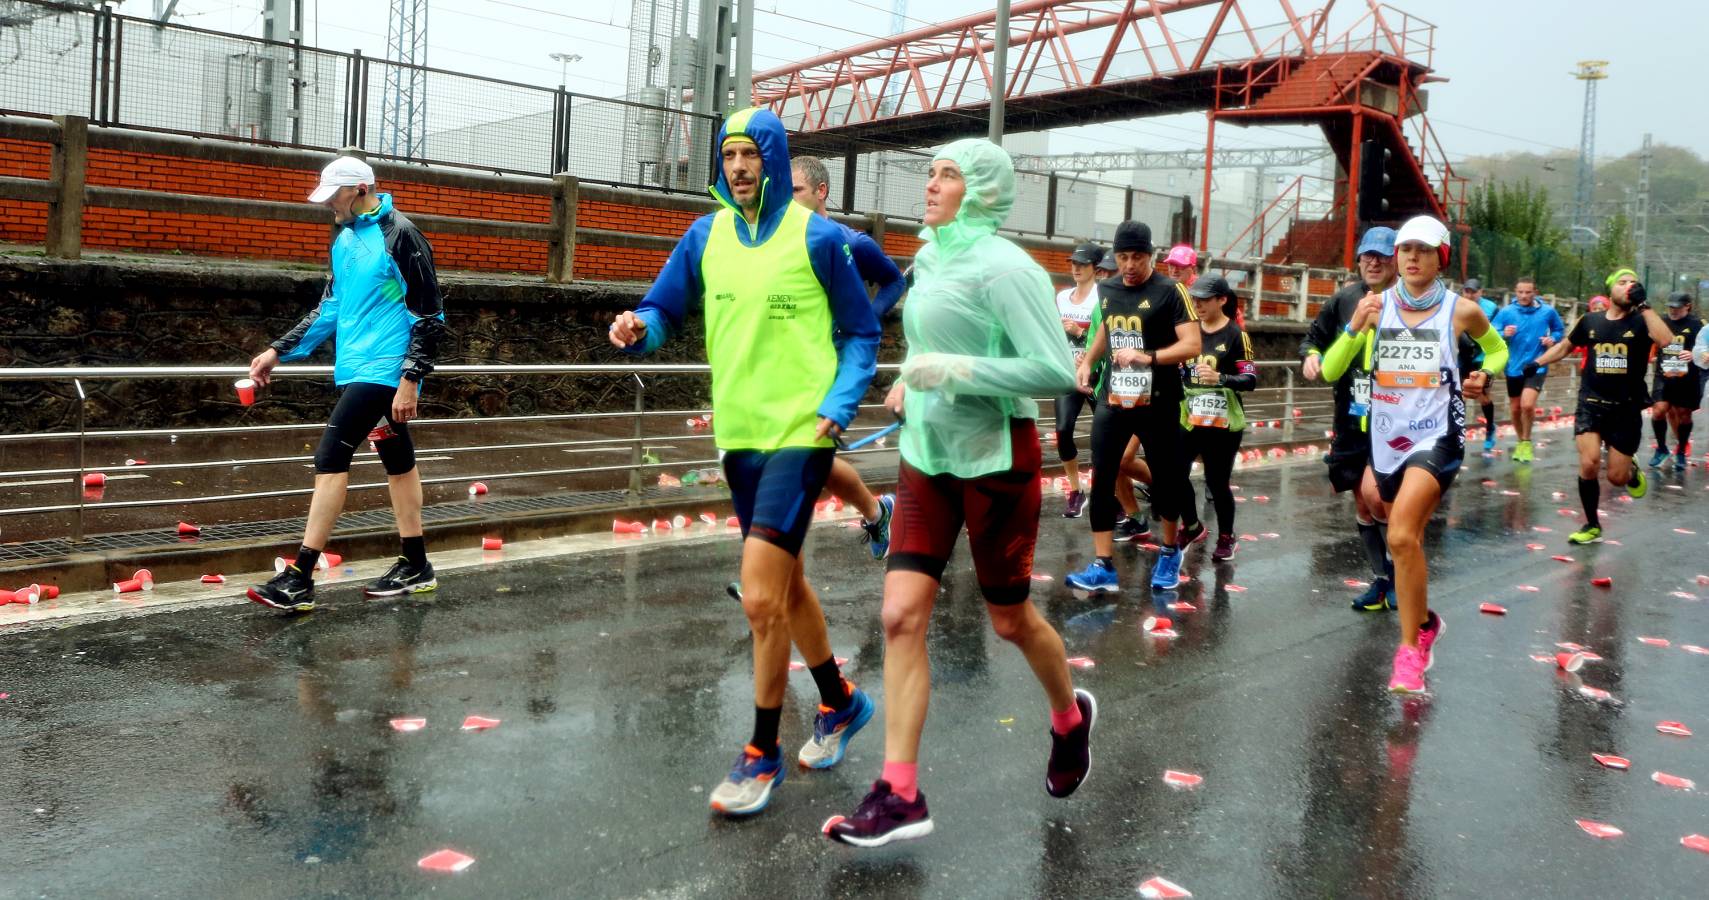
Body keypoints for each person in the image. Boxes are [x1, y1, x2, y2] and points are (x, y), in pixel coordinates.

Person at [609, 108, 881, 816]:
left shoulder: (819, 238)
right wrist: (640, 326)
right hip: (737, 436)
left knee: (759, 596)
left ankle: (761, 754)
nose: (737, 168)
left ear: (773, 159)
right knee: (785, 587)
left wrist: (842, 401)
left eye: (749, 155)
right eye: (727, 155)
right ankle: (840, 703)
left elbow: (860, 331)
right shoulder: (704, 236)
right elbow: (664, 307)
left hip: (801, 433)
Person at [824, 138, 1091, 848]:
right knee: (899, 617)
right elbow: (929, 345)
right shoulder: (932, 256)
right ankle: (900, 792)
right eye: (931, 173)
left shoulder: (1009, 269)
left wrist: (951, 371)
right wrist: (911, 375)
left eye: (947, 175)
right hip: (925, 458)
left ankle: (1068, 717)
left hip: (995, 458)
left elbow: (1053, 373)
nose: (931, 185)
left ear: (981, 191)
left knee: (1008, 622)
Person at [246, 156, 445, 612]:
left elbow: (430, 314)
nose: (328, 205)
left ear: (358, 188)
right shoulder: (346, 239)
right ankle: (416, 563)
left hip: (386, 368)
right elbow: (330, 308)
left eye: (333, 195)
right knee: (397, 457)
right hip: (358, 365)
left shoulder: (402, 236)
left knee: (331, 454)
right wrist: (279, 349)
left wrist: (410, 378)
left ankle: (299, 576)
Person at [1321, 215, 1506, 694]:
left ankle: (1409, 652)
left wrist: (1484, 375)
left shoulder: (1460, 310)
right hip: (1386, 433)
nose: (1412, 257)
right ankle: (1423, 621)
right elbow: (1329, 370)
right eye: (1406, 249)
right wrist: (1355, 327)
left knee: (1401, 536)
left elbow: (1497, 349)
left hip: (1438, 432)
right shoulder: (1374, 306)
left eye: (1423, 250)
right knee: (1389, 517)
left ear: (1440, 256)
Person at [1065, 220, 1203, 594]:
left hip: (1158, 402)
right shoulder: (1107, 289)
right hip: (1114, 398)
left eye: (1137, 257)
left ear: (1151, 256)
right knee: (1103, 473)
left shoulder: (1172, 291)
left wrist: (1148, 357)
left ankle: (1170, 549)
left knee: (1167, 478)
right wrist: (1088, 362)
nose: (1129, 265)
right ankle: (1102, 564)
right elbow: (1106, 330)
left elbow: (1191, 345)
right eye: (1123, 257)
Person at [790, 155, 906, 555]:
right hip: (798, 364)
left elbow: (893, 280)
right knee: (812, 462)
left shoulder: (853, 242)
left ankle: (772, 575)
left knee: (801, 461)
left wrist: (866, 319)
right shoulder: (782, 241)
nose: (787, 201)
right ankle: (878, 512)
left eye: (796, 191)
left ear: (821, 191)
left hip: (838, 367)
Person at [1524, 268, 1675, 545]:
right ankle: (1592, 524)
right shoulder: (1590, 320)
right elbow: (1566, 347)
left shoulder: (1643, 320)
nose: (1629, 286)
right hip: (1590, 403)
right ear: (1610, 290)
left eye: (1634, 282)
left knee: (1617, 478)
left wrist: (1644, 305)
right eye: (1622, 282)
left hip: (1625, 408)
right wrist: (1537, 363)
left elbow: (1666, 340)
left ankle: (1630, 470)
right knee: (1590, 462)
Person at [1300, 226, 1400, 611]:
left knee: (1378, 497)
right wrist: (1310, 354)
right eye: (1366, 256)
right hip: (1351, 417)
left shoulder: (1410, 302)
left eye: (1382, 256)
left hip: (1394, 420)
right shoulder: (1345, 299)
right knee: (1363, 502)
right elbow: (1313, 337)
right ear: (1358, 259)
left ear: (1396, 260)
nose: (1373, 262)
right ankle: (1382, 580)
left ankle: (1397, 574)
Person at [1178, 275, 1256, 561]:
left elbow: (1250, 379)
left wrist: (1220, 377)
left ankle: (1226, 536)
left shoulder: (1236, 335)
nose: (1197, 304)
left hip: (1223, 421)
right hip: (1190, 415)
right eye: (1194, 299)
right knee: (1175, 473)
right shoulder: (1188, 331)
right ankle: (1192, 526)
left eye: (1204, 299)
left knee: (1217, 481)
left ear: (1222, 300)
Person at [1489, 276, 1564, 463]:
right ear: (1516, 292)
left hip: (1536, 366)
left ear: (1535, 292)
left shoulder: (1547, 311)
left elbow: (1559, 330)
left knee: (1527, 405)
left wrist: (1552, 340)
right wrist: (1502, 333)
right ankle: (1522, 441)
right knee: (1515, 409)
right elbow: (1491, 331)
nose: (1523, 296)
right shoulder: (1507, 312)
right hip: (1513, 366)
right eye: (1520, 292)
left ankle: (1527, 441)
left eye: (1528, 292)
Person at [1055, 241, 1104, 517]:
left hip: (1097, 374)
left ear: (1095, 269)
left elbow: (1107, 335)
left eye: (1082, 264)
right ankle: (1075, 490)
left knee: (1105, 438)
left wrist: (1080, 333)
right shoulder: (1062, 297)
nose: (1075, 268)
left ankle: (1108, 491)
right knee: (1063, 430)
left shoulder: (1102, 296)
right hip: (1068, 374)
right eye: (1073, 263)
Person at [1646, 291, 1702, 470]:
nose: (1673, 310)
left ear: (1687, 306)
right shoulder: (1661, 321)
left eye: (1677, 307)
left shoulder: (1697, 324)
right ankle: (1661, 448)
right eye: (1670, 307)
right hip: (1664, 374)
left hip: (1687, 377)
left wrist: (1694, 354)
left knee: (1684, 414)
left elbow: (1705, 348)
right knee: (1659, 410)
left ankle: (1681, 450)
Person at [1461, 278, 1501, 452]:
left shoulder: (1490, 308)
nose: (1469, 295)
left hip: (1482, 356)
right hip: (1463, 355)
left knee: (1482, 396)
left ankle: (1490, 427)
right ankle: (1457, 432)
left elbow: (1491, 332)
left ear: (1480, 292)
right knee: (1459, 393)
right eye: (1467, 291)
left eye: (1473, 292)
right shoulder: (1457, 305)